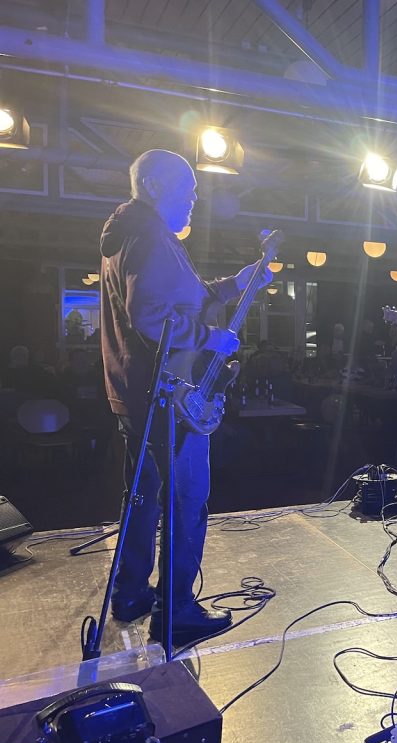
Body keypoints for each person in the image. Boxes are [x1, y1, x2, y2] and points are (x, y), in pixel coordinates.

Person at [100, 149, 272, 644]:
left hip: (134, 391)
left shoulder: (129, 233)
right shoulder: (151, 237)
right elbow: (151, 316)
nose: (195, 200)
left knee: (142, 497)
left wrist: (235, 284)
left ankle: (130, 593)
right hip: (168, 396)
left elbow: (183, 299)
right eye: (188, 189)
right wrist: (211, 338)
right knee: (187, 499)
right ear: (154, 185)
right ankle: (176, 612)